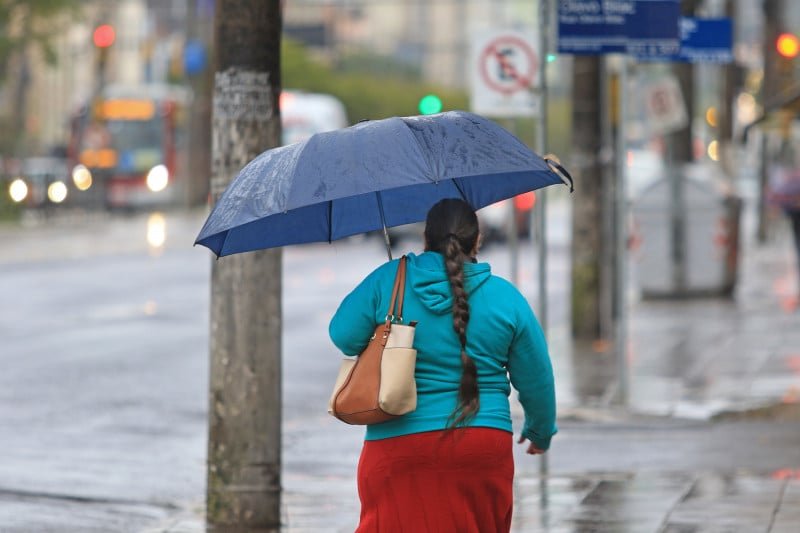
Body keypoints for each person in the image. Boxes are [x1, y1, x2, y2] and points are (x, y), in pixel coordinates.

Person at [329, 198, 557, 532]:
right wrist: (540, 430)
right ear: (476, 240)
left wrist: (389, 314)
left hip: (398, 443)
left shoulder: (390, 280)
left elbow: (343, 336)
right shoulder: (505, 297)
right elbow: (537, 377)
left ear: (426, 237)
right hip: (482, 443)